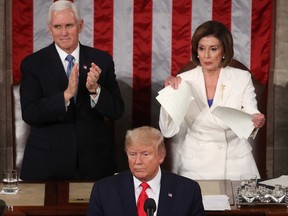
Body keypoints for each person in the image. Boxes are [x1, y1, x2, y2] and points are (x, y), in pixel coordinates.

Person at [19, 0, 124, 181]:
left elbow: (117, 110)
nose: (64, 32)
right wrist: (66, 95)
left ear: (80, 25)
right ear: (50, 29)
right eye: (58, 26)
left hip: (95, 163)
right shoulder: (33, 64)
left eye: (69, 25)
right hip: (47, 164)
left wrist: (95, 90)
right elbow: (30, 113)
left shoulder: (101, 60)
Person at [159, 20, 266, 180]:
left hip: (236, 162)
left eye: (213, 49)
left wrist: (256, 120)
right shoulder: (183, 80)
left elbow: (251, 112)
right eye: (202, 48)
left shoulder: (241, 77)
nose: (206, 55)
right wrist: (169, 95)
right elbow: (167, 130)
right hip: (195, 163)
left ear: (224, 50)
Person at [87, 126, 205, 216]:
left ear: (161, 156)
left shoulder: (188, 191)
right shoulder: (104, 190)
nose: (137, 161)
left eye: (145, 154)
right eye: (132, 154)